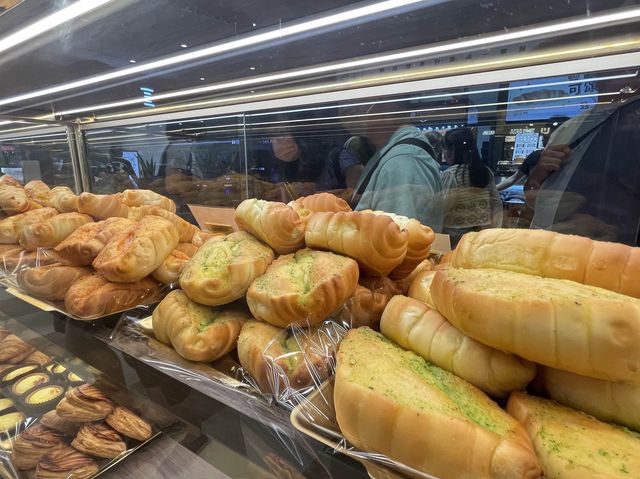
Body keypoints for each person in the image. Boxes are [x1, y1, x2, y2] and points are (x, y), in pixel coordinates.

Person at [525, 78, 640, 245]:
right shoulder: (570, 128)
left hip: (622, 243)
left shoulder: (633, 125)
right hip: (561, 238)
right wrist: (538, 172)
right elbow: (533, 191)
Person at [352, 103, 443, 230]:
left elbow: (397, 236)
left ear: (385, 115)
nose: (355, 116)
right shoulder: (398, 155)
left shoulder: (403, 162)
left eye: (359, 109)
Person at [440, 128, 503, 245]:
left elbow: (442, 208)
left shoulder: (451, 174)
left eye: (445, 148)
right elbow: (497, 203)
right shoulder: (485, 171)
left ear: (452, 150)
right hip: (481, 235)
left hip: (454, 237)